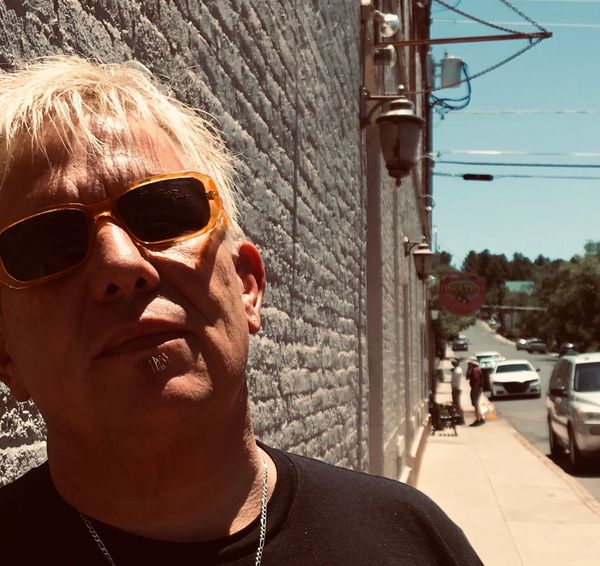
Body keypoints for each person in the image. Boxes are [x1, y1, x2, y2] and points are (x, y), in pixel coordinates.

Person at [0, 56, 482, 565]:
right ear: (6, 353)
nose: (120, 264)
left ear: (248, 286)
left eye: (162, 213)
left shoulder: (413, 541)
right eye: (48, 246)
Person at [467, 357, 485, 427]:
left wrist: (474, 390)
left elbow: (477, 380)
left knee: (476, 404)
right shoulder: (474, 370)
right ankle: (480, 418)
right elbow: (467, 377)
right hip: (476, 388)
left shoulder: (475, 370)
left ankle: (478, 419)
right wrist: (468, 369)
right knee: (476, 404)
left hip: (476, 389)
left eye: (469, 363)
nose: (468, 365)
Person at [450, 359, 465, 425]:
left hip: (457, 389)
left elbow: (456, 381)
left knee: (458, 404)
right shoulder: (456, 369)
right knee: (456, 404)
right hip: (456, 388)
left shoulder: (457, 370)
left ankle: (461, 418)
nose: (452, 362)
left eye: (453, 362)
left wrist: (454, 388)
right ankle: (459, 417)